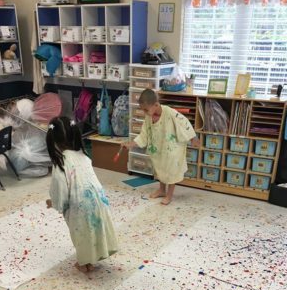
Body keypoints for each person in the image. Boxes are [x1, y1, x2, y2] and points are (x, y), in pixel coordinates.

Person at [45, 116, 118, 273]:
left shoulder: (61, 164)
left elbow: (61, 194)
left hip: (80, 206)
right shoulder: (84, 156)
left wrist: (54, 202)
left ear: (54, 142)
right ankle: (94, 257)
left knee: (82, 234)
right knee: (95, 228)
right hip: (99, 200)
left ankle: (85, 263)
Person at [122, 89, 200, 205]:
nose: (144, 113)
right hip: (159, 148)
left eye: (146, 110)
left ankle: (169, 195)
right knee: (160, 168)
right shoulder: (149, 117)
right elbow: (144, 135)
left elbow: (184, 123)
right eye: (143, 110)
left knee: (171, 170)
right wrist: (130, 145)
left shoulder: (170, 113)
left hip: (172, 149)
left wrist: (193, 138)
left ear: (156, 105)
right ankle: (162, 190)